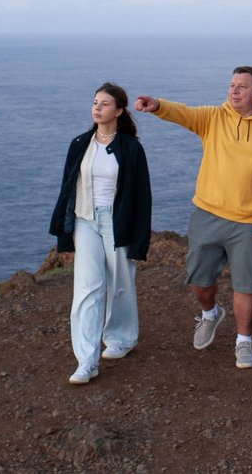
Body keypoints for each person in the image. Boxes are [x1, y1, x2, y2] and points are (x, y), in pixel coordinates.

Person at [134, 66, 252, 369]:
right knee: (199, 281)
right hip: (208, 214)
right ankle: (210, 314)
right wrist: (158, 106)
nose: (234, 91)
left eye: (242, 86)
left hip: (250, 221)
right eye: (232, 85)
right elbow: (184, 113)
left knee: (246, 285)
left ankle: (244, 341)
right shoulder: (214, 117)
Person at [48, 82, 153, 385]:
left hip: (117, 222)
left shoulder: (131, 148)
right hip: (86, 220)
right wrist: (65, 226)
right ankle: (86, 361)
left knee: (120, 283)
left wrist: (139, 240)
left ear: (119, 111)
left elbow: (142, 197)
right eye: (95, 102)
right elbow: (68, 187)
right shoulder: (80, 143)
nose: (97, 108)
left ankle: (121, 338)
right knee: (87, 289)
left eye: (105, 104)